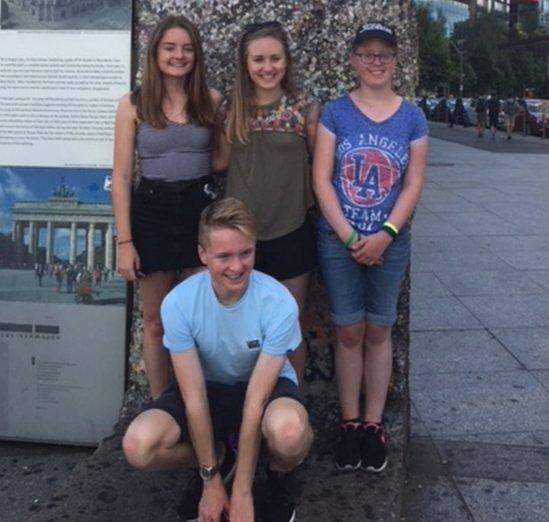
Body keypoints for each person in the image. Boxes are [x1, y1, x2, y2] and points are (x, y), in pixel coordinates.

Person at [122, 198, 313, 522]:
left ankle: (274, 473)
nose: (237, 266)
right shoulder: (179, 303)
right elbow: (193, 398)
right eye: (224, 257)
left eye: (246, 253)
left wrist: (242, 493)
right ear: (203, 254)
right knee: (138, 445)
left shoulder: (279, 301)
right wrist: (210, 479)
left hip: (263, 389)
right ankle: (221, 457)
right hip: (208, 389)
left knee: (289, 434)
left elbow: (256, 401)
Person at [312, 21, 428, 473]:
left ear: (396, 61)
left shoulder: (412, 117)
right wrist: (348, 235)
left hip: (389, 241)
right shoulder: (336, 113)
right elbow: (321, 178)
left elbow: (413, 183)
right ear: (354, 60)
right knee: (347, 330)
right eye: (367, 54)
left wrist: (386, 234)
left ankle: (373, 423)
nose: (375, 62)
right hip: (339, 238)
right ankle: (348, 421)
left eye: (384, 54)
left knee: (379, 331)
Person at [111, 16, 227, 399]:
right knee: (155, 320)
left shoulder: (210, 100)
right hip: (152, 211)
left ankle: (203, 402)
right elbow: (123, 173)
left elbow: (221, 159)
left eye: (187, 48)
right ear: (155, 53)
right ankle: (163, 404)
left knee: (202, 317)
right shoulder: (132, 105)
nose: (179, 56)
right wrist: (125, 242)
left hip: (200, 208)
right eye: (170, 48)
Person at [224, 21, 319, 383]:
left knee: (289, 326)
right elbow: (219, 162)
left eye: (275, 58)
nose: (268, 67)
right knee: (240, 328)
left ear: (286, 61)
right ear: (245, 64)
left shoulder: (304, 109)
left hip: (291, 230)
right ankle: (242, 412)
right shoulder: (231, 111)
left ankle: (290, 407)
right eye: (259, 59)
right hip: (239, 239)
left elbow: (318, 167)